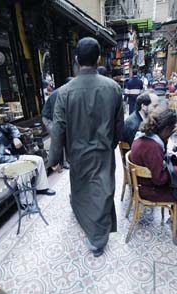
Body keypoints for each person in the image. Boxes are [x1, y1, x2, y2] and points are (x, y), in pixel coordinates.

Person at [49, 37, 123, 257]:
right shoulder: (113, 88)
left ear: (76, 60)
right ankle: (97, 236)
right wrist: (114, 142)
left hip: (78, 153)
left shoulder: (64, 91)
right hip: (103, 151)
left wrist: (55, 159)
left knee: (82, 189)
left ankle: (96, 236)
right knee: (102, 190)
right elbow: (119, 124)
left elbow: (58, 128)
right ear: (98, 58)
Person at [130, 108, 177, 236]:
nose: (173, 131)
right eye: (173, 128)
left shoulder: (144, 136)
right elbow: (159, 180)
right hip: (149, 190)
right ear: (167, 127)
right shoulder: (153, 147)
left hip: (142, 184)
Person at [0, 111, 55, 196]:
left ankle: (42, 188)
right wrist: (16, 158)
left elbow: (10, 126)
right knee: (23, 170)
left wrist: (16, 137)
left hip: (13, 158)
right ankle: (27, 203)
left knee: (38, 159)